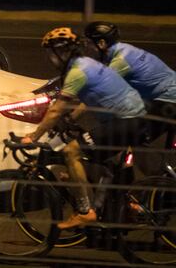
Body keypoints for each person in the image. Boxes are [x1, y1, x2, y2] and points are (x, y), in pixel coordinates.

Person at [21, 27, 148, 229]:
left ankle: (85, 212)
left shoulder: (77, 71)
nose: (49, 58)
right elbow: (86, 101)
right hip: (131, 119)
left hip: (126, 122)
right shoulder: (86, 65)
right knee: (95, 162)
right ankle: (125, 208)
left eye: (50, 52)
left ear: (62, 52)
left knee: (72, 152)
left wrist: (34, 136)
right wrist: (71, 118)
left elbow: (55, 111)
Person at [84, 21, 176, 139]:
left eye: (88, 43)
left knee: (132, 133)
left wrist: (71, 116)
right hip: (166, 91)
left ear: (101, 43)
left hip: (170, 99)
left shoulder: (121, 61)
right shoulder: (124, 48)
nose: (86, 47)